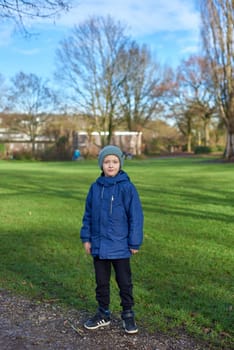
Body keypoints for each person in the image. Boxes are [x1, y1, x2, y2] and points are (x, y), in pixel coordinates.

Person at [80, 145, 144, 334]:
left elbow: (136, 216)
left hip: (121, 245)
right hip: (99, 246)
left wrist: (134, 242)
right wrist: (87, 238)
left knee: (124, 282)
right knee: (101, 282)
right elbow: (88, 215)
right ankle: (103, 313)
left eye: (114, 162)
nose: (110, 165)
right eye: (107, 162)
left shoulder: (127, 187)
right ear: (101, 165)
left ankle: (128, 314)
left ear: (120, 164)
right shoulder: (94, 188)